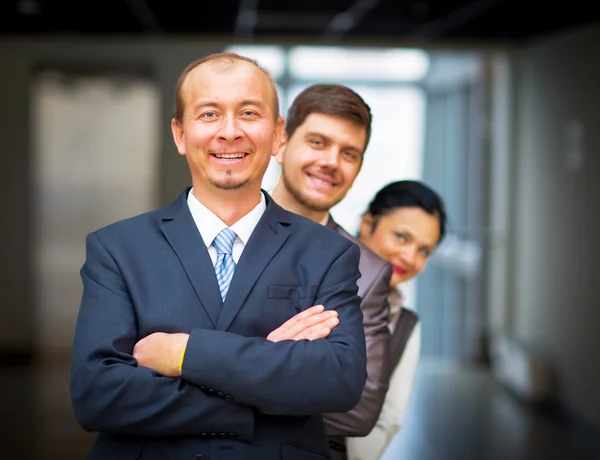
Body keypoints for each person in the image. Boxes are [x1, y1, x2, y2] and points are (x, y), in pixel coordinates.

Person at [70, 52, 368, 460]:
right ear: (179, 134)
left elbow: (338, 381)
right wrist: (267, 369)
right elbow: (97, 395)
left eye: (248, 113)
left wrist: (184, 354)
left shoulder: (328, 253)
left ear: (279, 134)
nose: (229, 132)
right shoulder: (118, 249)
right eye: (209, 114)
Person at [271, 83, 393, 459]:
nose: (331, 162)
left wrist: (223, 384)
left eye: (349, 153)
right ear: (281, 141)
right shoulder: (217, 233)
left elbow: (357, 409)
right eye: (318, 142)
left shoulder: (367, 271)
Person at [345, 180, 447, 460]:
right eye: (402, 237)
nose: (410, 257)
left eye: (424, 250)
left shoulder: (405, 325)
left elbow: (389, 419)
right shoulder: (313, 280)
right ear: (368, 224)